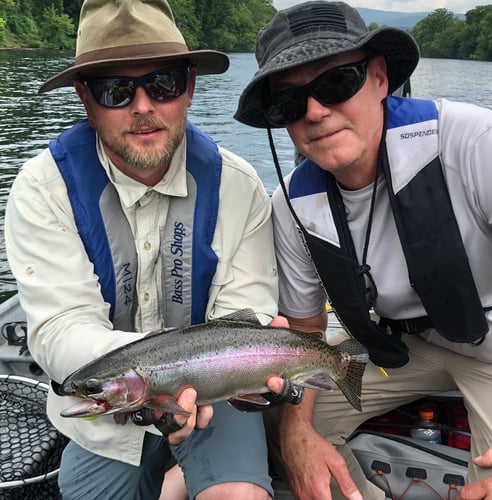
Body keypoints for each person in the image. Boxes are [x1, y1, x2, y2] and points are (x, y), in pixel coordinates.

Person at [4, 1, 283, 499]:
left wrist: (182, 383)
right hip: (105, 417)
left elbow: (248, 315)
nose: (142, 106)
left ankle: (181, 475)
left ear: (190, 88)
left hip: (218, 400)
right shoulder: (42, 191)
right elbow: (60, 331)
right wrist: (150, 386)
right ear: (85, 99)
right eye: (115, 89)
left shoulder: (241, 189)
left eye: (163, 84)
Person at [234, 1, 492, 499]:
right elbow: (308, 330)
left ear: (379, 78)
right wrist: (297, 436)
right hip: (402, 349)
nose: (314, 111)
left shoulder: (477, 145)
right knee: (279, 426)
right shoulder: (292, 204)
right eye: (290, 103)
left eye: (335, 83)